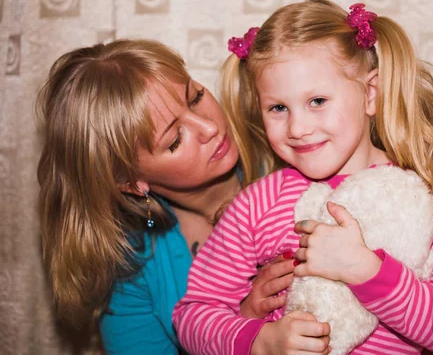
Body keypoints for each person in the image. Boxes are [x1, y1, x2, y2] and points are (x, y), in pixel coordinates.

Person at [173, 0, 433, 354]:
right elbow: (193, 315)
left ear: (370, 94)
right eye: (278, 108)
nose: (298, 128)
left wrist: (366, 270)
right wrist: (260, 341)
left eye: (317, 101)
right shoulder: (258, 202)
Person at [36, 39, 297, 354]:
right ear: (131, 181)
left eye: (196, 97)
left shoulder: (294, 153)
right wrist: (242, 327)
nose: (209, 127)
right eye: (175, 140)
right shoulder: (131, 269)